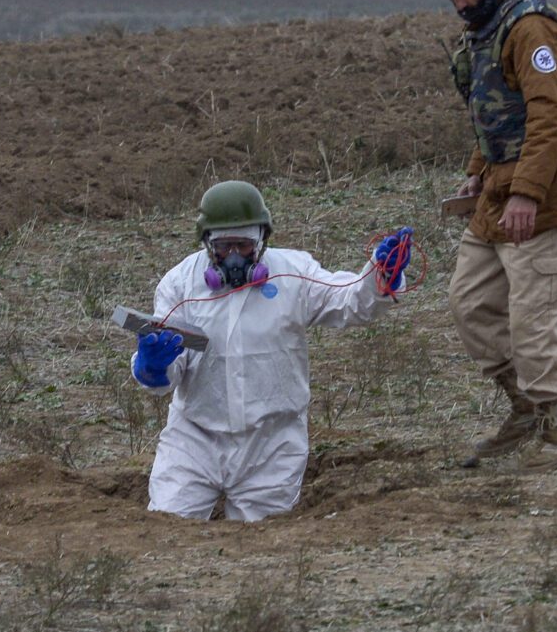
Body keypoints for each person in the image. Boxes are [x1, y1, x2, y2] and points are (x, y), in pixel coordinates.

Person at [130, 180, 412, 521]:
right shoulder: (179, 284)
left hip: (272, 444)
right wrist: (152, 367)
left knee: (262, 549)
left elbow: (349, 300)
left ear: (262, 240)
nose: (233, 255)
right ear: (206, 243)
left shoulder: (294, 273)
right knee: (166, 530)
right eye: (223, 245)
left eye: (244, 245)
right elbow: (169, 368)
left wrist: (379, 277)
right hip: (194, 439)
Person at [433, 0, 557, 470]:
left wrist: (526, 193)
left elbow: (550, 117)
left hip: (542, 199)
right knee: (470, 302)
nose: (459, 1)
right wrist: (477, 173)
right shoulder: (486, 31)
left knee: (534, 319)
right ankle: (521, 408)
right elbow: (495, 115)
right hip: (498, 191)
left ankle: (550, 429)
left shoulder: (531, 28)